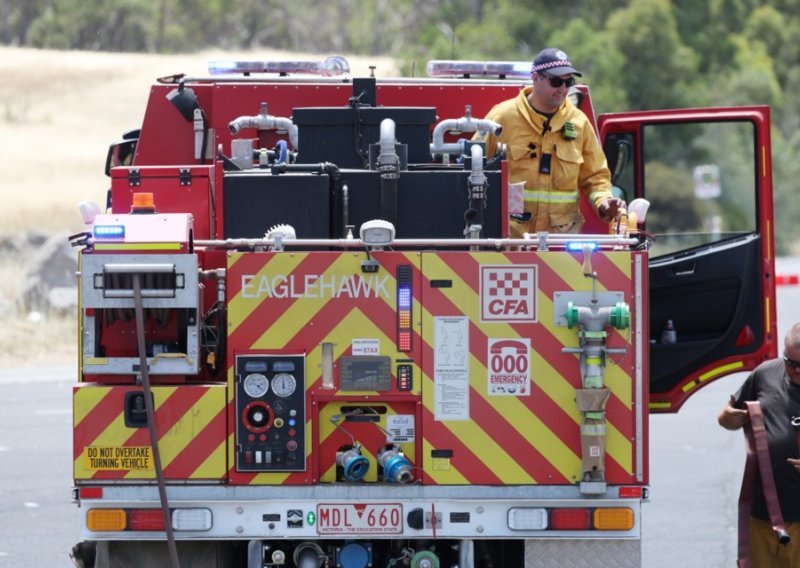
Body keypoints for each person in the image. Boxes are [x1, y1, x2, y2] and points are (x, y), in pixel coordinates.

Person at [473, 47, 624, 236]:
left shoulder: (579, 123)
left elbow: (595, 177)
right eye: (556, 81)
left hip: (561, 245)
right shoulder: (502, 117)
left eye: (569, 82)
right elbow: (471, 166)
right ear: (536, 78)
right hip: (509, 242)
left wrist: (604, 201)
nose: (562, 89)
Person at [718, 322, 800, 567]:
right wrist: (727, 417)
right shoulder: (765, 374)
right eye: (791, 363)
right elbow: (727, 415)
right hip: (764, 517)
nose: (797, 372)